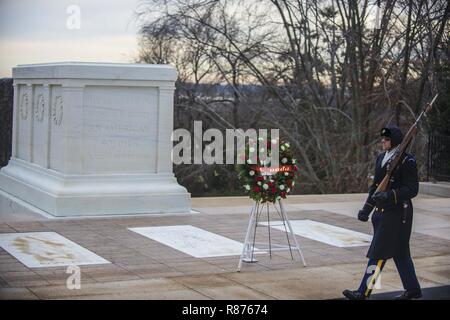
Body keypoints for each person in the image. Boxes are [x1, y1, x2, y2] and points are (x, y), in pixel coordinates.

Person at [343, 125, 422, 300]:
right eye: (382, 139)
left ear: (394, 141)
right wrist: (366, 209)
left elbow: (412, 189)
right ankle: (413, 289)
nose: (383, 142)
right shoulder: (381, 158)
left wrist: (390, 196)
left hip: (398, 214)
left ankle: (363, 292)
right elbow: (376, 188)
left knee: (378, 253)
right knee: (400, 253)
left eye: (386, 139)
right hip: (383, 214)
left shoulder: (407, 161)